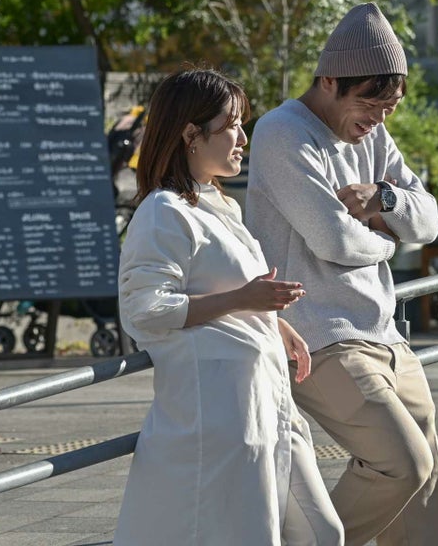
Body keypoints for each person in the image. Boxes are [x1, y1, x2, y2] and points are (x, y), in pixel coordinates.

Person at [246, 3, 438, 546]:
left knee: (426, 477)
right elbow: (333, 241)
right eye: (369, 103)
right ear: (329, 81)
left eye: (389, 107)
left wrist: (384, 198)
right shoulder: (283, 132)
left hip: (384, 332)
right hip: (319, 336)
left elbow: (429, 221)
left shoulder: (373, 136)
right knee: (402, 464)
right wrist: (389, 241)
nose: (378, 118)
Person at [113, 64, 344, 546]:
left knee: (324, 532)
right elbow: (145, 309)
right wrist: (244, 299)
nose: (242, 138)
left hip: (264, 403)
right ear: (190, 135)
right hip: (220, 414)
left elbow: (228, 290)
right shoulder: (163, 211)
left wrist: (274, 322)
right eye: (231, 126)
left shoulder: (218, 205)